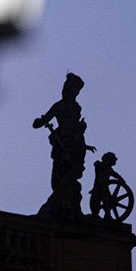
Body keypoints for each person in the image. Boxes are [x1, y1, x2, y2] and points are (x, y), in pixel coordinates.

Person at [33, 73, 91, 219]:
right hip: (62, 142)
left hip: (75, 143)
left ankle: (61, 199)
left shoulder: (76, 107)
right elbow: (43, 120)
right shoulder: (59, 106)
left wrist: (84, 141)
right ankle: (59, 199)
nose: (74, 92)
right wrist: (38, 122)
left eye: (76, 90)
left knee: (72, 172)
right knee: (60, 173)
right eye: (72, 89)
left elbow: (75, 126)